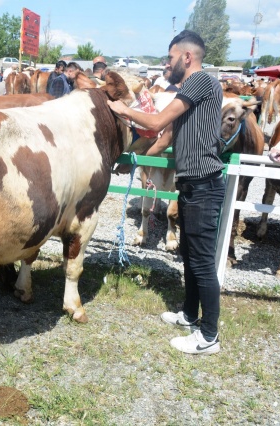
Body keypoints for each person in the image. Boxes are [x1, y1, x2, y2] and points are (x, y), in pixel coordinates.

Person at [108, 30, 225, 355]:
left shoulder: (200, 81)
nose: (166, 64)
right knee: (189, 254)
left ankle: (209, 336)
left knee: (201, 262)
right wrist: (135, 162)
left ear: (187, 57)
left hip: (203, 183)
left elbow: (158, 121)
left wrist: (123, 110)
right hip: (191, 184)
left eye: (170, 57)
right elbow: (166, 136)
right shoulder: (192, 90)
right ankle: (189, 315)